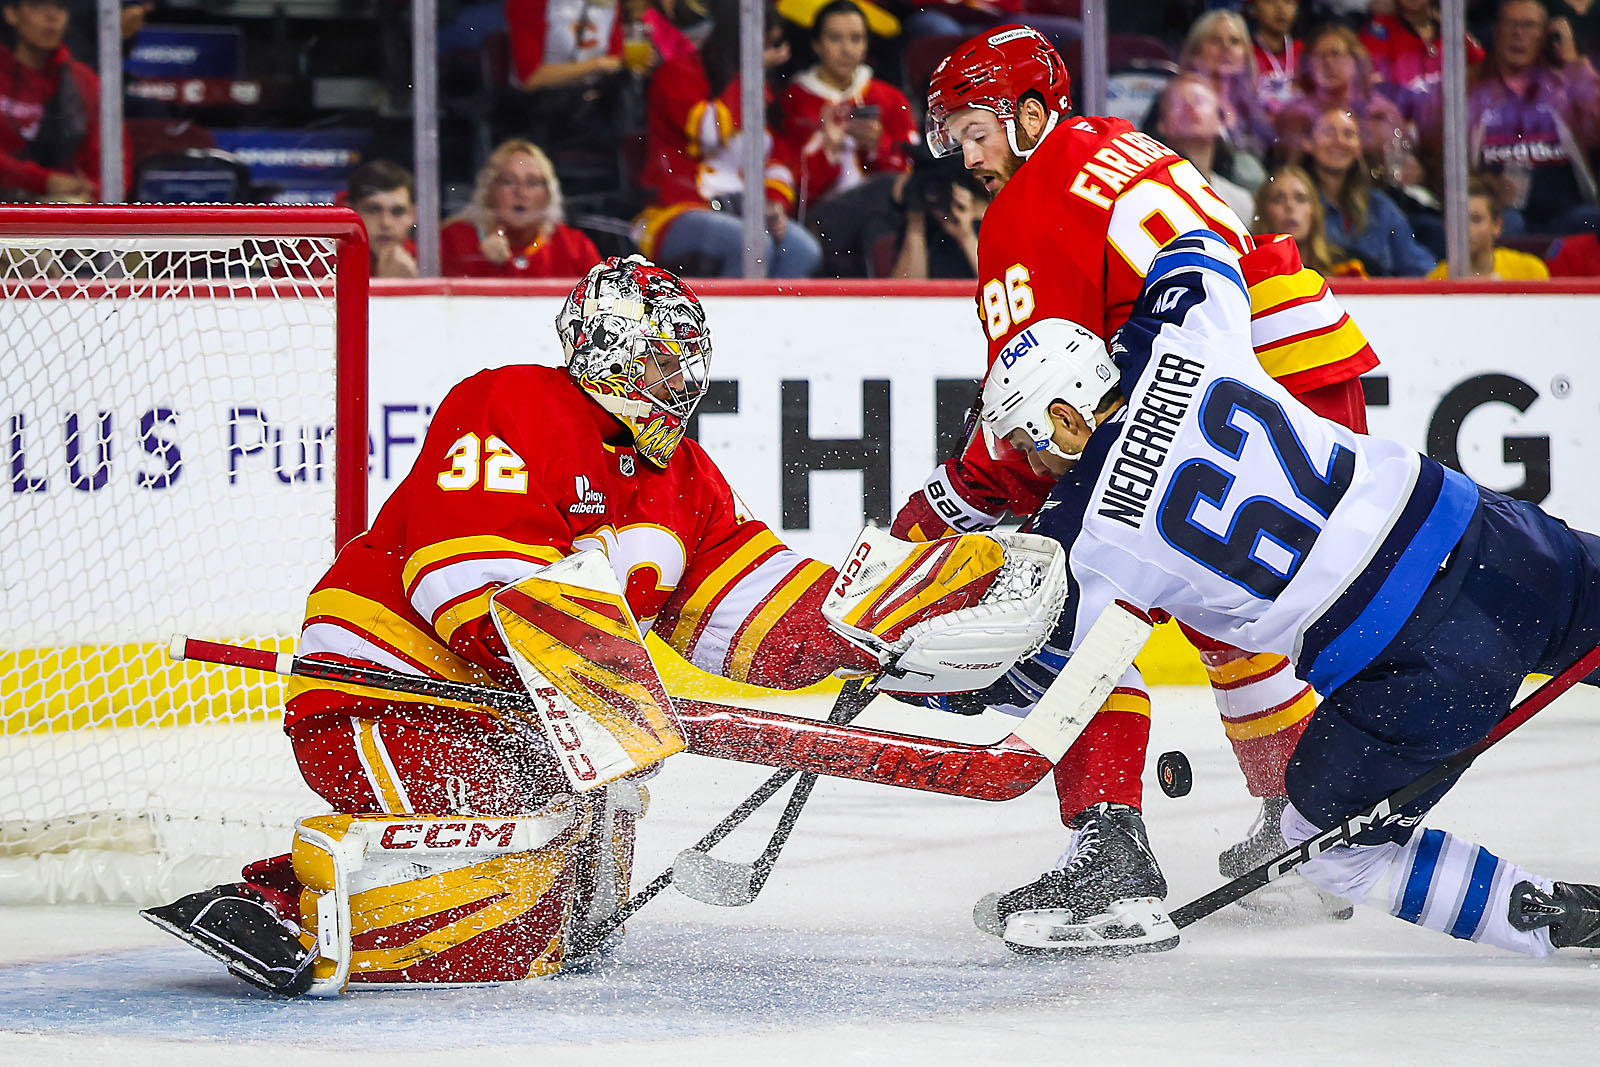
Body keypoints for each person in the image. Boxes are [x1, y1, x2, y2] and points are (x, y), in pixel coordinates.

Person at [139, 256, 963, 994]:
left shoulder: (685, 475)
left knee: (580, 903)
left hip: (513, 719)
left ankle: (327, 889)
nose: (679, 377)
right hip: (384, 696)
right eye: (658, 356)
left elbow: (754, 611)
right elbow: (467, 590)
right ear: (605, 351)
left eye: (685, 358)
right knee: (524, 904)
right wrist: (619, 682)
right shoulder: (510, 403)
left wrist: (874, 624)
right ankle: (278, 905)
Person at [968, 229, 1600, 956]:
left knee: (1331, 854)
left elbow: (1035, 677)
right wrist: (1132, 332)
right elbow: (1200, 246)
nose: (1030, 463)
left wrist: (926, 675)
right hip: (1488, 536)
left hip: (1417, 665)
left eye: (1027, 439)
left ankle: (1558, 920)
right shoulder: (1183, 337)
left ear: (1067, 416)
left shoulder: (1085, 535)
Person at [905, 25, 1379, 945]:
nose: (967, 159)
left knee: (1076, 598)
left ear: (1031, 114)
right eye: (955, 137)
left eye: (975, 132)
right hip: (1303, 362)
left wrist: (950, 502)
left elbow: (1043, 408)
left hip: (1213, 386)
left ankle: (1110, 851)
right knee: (1219, 598)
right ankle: (1301, 817)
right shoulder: (1121, 142)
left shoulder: (1023, 210)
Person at [632, 0, 821, 277]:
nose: (771, 56)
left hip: (743, 210)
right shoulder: (676, 74)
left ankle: (774, 321)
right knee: (751, 244)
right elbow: (710, 131)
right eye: (764, 47)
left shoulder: (757, 88)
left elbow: (776, 158)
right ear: (740, 41)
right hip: (676, 209)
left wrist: (774, 205)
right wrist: (748, 74)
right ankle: (733, 321)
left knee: (802, 249)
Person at [1458, 0, 1600, 237]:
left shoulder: (1566, 83)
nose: (1518, 34)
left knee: (1591, 220)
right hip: (1503, 211)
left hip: (1567, 210)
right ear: (1496, 31)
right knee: (1507, 224)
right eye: (1511, 24)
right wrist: (1486, 188)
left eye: (1529, 25)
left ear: (1545, 35)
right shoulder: (1472, 87)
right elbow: (1450, 160)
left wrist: (1574, 63)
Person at [441, 139, 601, 278]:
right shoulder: (453, 240)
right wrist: (484, 262)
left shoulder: (574, 246)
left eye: (532, 183)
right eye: (508, 181)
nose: (521, 192)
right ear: (488, 190)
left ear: (549, 194)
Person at [1304, 105, 1435, 275]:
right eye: (1329, 132)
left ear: (1359, 147)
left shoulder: (1380, 207)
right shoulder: (1292, 202)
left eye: (1349, 134)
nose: (1339, 141)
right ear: (1308, 143)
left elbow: (1418, 267)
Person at [0, 0, 101, 202]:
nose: (52, 17)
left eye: (60, 7)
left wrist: (94, 192)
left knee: (74, 204)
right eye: (38, 6)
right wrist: (42, 180)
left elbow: (108, 157)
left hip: (61, 203)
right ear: (11, 13)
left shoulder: (84, 81)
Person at [1274, 23, 1410, 166]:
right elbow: (1289, 165)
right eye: (1319, 56)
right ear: (1308, 65)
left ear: (1356, 61)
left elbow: (1402, 161)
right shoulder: (1295, 114)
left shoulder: (1381, 111)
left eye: (1336, 54)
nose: (1328, 62)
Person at [1151, 72, 1260, 227]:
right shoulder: (1149, 191)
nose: (1190, 108)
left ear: (1220, 120)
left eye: (1199, 101)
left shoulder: (1241, 203)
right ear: (1161, 124)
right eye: (1178, 103)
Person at [1360, 0, 1485, 123]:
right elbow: (1371, 89)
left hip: (1450, 127)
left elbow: (1483, 72)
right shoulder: (1379, 30)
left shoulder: (1452, 30)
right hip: (1399, 128)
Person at [1178, 9, 1274, 159]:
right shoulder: (1177, 100)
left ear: (1246, 53)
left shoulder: (1254, 104)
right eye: (1215, 40)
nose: (1226, 48)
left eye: (1235, 41)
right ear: (1195, 52)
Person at [1426, 173, 1551, 279]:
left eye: (1476, 219)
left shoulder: (1529, 272)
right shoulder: (1437, 278)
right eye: (1458, 221)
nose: (1465, 229)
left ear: (1497, 225)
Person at [1252, 162, 1367, 276]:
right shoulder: (1247, 271)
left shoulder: (1347, 271)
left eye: (1300, 199)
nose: (1290, 206)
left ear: (1314, 210)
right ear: (1264, 210)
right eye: (1278, 199)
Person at [347, 160, 420, 280]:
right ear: (350, 211)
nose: (386, 223)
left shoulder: (429, 260)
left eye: (398, 212)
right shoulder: (322, 263)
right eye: (373, 210)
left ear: (413, 215)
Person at [1249, 0, 1303, 114]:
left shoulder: (1304, 52)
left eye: (1288, 2)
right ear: (1253, 8)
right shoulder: (1246, 54)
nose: (1280, 8)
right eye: (1270, 1)